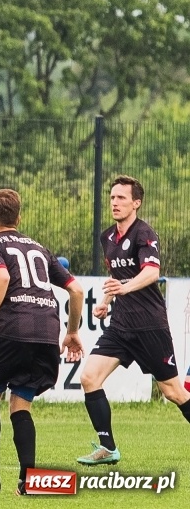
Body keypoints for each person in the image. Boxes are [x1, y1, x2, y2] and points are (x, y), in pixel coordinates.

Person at [0, 189, 84, 495]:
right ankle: (29, 481)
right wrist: (72, 331)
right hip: (47, 333)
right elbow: (76, 291)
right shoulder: (39, 248)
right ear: (19, 218)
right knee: (20, 405)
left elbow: (2, 278)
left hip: (14, 330)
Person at [77, 175, 190, 465]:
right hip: (121, 326)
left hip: (150, 325)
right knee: (89, 377)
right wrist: (105, 302)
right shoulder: (107, 238)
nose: (115, 203)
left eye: (122, 198)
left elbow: (152, 272)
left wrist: (125, 288)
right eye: (112, 197)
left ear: (136, 203)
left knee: (174, 392)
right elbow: (117, 277)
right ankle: (108, 447)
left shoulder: (144, 234)